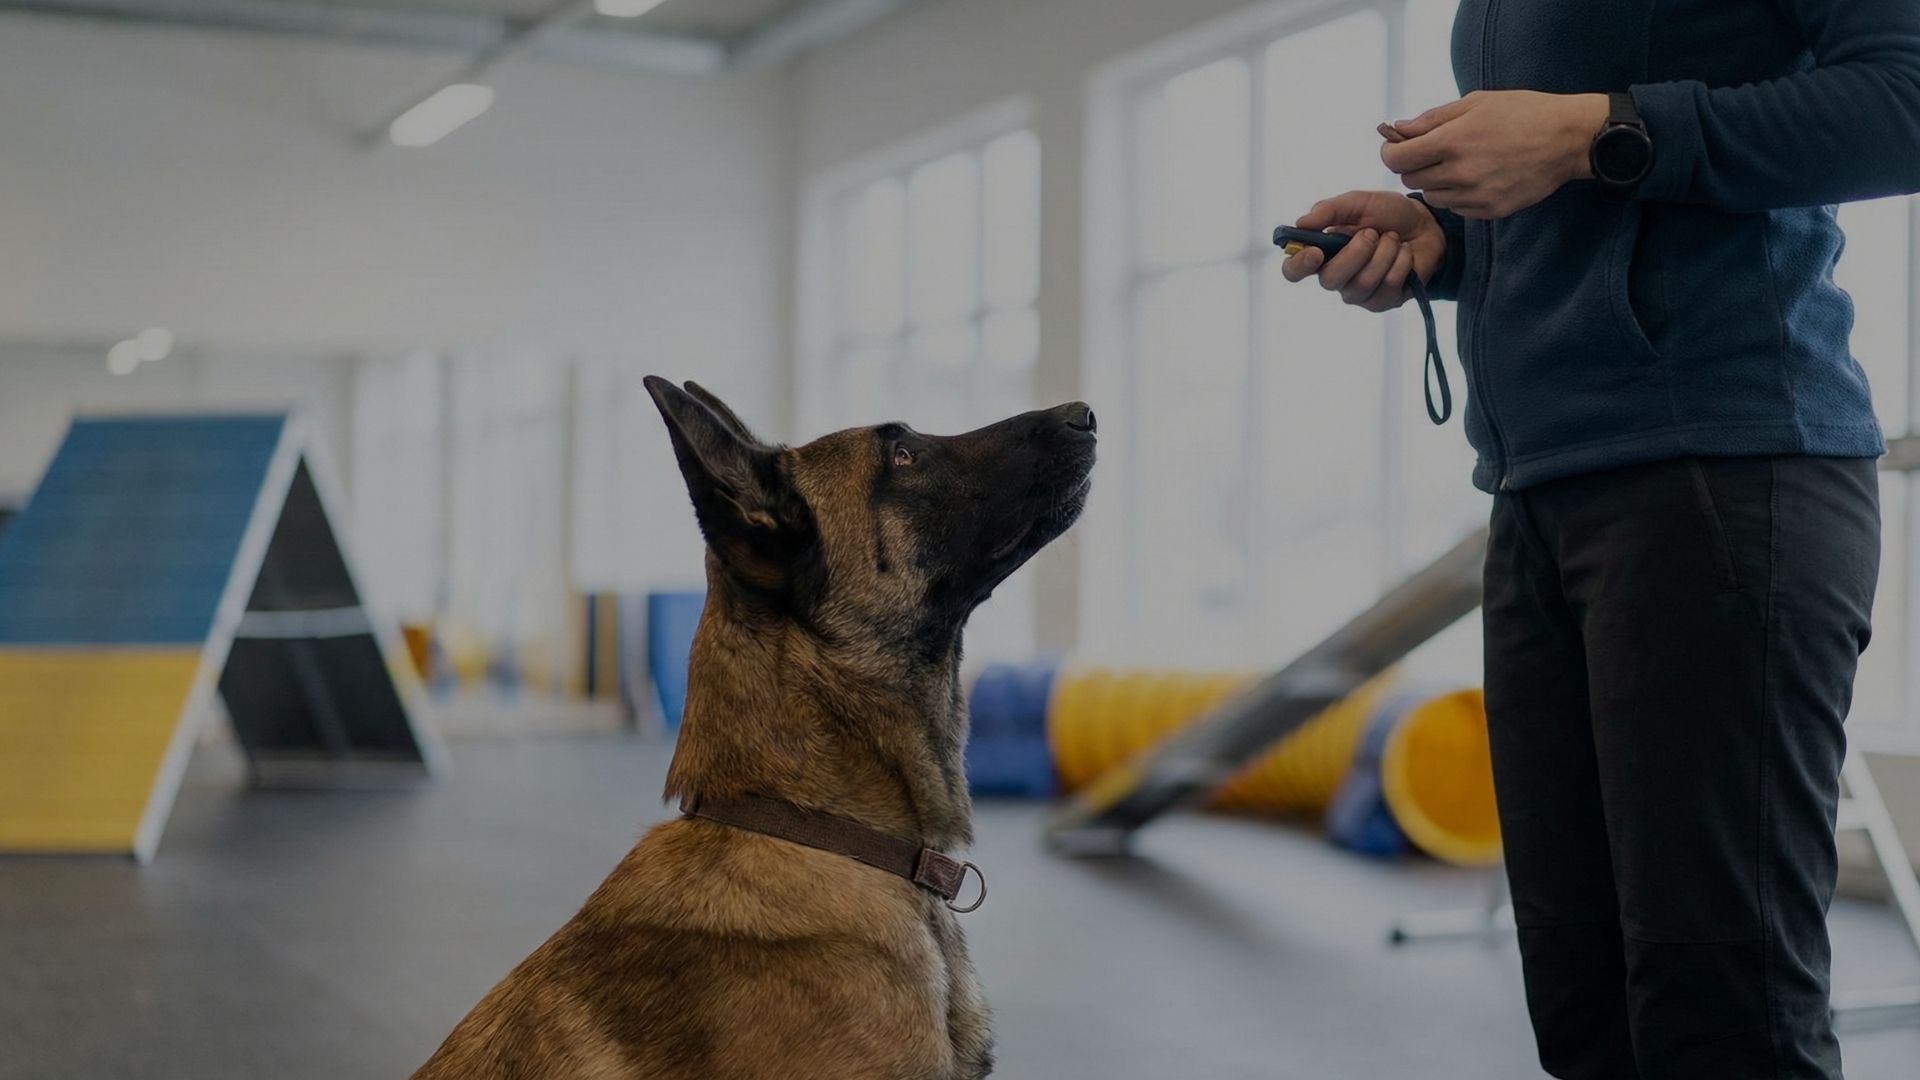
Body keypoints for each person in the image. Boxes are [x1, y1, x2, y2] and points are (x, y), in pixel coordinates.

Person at [1282, 3, 1920, 1078]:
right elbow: (1601, 216)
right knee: (1585, 1011)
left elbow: (1902, 101)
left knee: (1720, 1023)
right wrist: (1449, 247)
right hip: (1539, 492)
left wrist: (1591, 130)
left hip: (1720, 469)